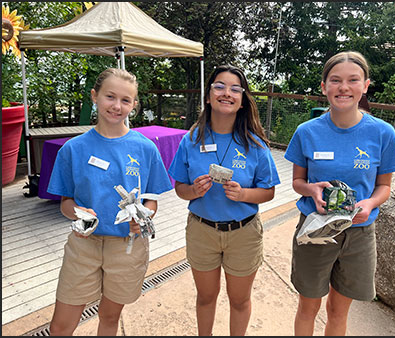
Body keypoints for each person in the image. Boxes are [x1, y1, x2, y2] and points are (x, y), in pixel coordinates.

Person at [284, 51, 395, 336]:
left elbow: (384, 187)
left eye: (353, 80)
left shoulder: (382, 133)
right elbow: (298, 182)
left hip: (359, 232)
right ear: (324, 86)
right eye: (335, 80)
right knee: (308, 308)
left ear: (365, 85)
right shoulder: (306, 132)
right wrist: (311, 189)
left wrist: (370, 202)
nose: (343, 87)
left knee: (338, 311)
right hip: (315, 229)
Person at [47, 68, 173, 336]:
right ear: (95, 96)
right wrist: (79, 212)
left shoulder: (146, 148)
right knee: (60, 326)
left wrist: (144, 217)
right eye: (110, 97)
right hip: (84, 245)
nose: (117, 106)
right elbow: (65, 204)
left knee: (109, 316)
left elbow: (151, 201)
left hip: (128, 247)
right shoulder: (73, 149)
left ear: (134, 105)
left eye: (125, 100)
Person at [168, 64, 280, 336]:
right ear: (208, 96)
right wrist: (193, 191)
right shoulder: (191, 140)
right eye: (219, 86)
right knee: (205, 297)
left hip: (243, 233)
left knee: (239, 300)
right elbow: (179, 188)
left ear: (242, 100)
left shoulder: (255, 144)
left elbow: (268, 191)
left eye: (235, 89)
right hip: (202, 231)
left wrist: (243, 194)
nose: (226, 93)